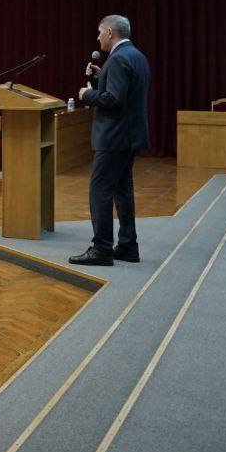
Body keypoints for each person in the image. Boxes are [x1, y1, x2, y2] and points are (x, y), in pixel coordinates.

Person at [71, 15, 150, 267]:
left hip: (113, 137)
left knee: (100, 190)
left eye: (99, 33)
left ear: (108, 32)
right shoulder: (136, 55)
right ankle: (127, 246)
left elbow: (114, 100)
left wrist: (88, 94)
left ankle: (101, 249)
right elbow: (122, 93)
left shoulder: (117, 59)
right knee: (122, 190)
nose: (97, 38)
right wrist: (100, 76)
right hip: (129, 135)